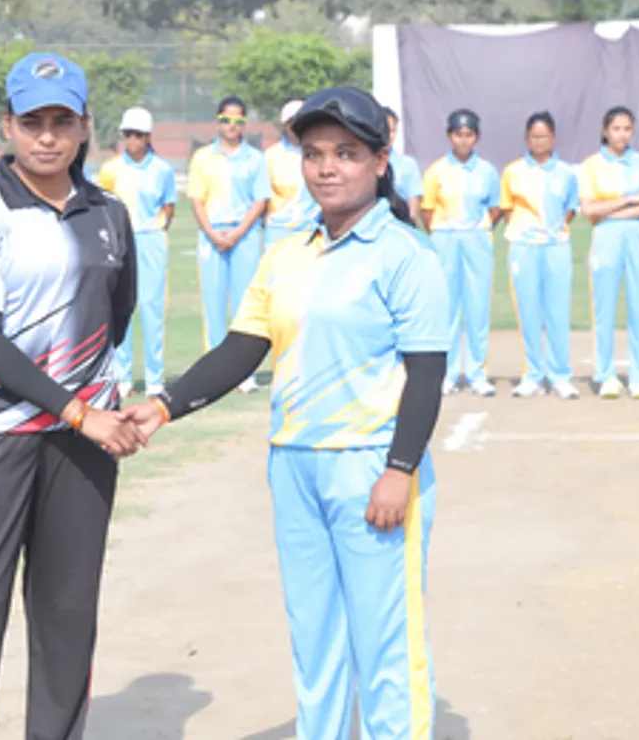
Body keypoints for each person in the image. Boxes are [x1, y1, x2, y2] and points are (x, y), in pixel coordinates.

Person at [125, 86, 449, 740]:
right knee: (315, 638)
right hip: (295, 464)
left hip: (371, 466)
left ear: (380, 161)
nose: (327, 168)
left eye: (347, 153)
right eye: (315, 153)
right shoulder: (287, 253)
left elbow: (427, 374)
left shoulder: (405, 255)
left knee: (385, 641)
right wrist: (163, 407)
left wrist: (400, 468)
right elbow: (242, 349)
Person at [0, 52, 142, 740]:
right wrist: (78, 409)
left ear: (84, 127)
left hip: (82, 442)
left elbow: (116, 314)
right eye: (32, 121)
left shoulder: (109, 214)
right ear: (7, 125)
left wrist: (86, 410)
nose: (47, 136)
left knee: (67, 610)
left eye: (62, 122)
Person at [187, 95, 271, 392]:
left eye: (237, 120)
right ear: (218, 122)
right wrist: (212, 233)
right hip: (212, 235)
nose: (231, 126)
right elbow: (196, 199)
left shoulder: (255, 159)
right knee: (213, 306)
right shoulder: (203, 158)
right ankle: (214, 375)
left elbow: (260, 201)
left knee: (245, 307)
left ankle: (244, 375)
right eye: (226, 120)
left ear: (244, 124)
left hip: (244, 236)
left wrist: (237, 233)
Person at [578, 106, 639, 400]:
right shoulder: (592, 165)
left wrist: (612, 209)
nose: (622, 135)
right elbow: (589, 209)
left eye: (627, 129)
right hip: (606, 236)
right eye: (616, 129)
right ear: (605, 131)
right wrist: (629, 201)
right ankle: (606, 375)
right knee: (604, 306)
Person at [96, 105, 176, 398]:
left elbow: (168, 206)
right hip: (120, 241)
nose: (132, 140)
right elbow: (102, 205)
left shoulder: (162, 169)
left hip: (150, 239)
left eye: (138, 135)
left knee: (152, 308)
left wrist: (156, 228)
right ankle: (122, 377)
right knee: (122, 306)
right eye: (128, 134)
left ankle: (155, 379)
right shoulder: (111, 169)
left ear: (148, 137)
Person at [500, 112, 580, 399]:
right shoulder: (513, 171)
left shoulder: (566, 173)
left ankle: (560, 375)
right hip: (524, 246)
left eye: (544, 136)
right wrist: (526, 232)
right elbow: (507, 209)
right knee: (528, 311)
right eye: (534, 136)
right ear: (526, 139)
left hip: (556, 246)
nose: (539, 141)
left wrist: (554, 230)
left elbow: (570, 208)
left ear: (553, 138)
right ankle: (533, 375)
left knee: (558, 311)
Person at [421, 109, 501, 397]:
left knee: (477, 306)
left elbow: (495, 207)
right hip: (445, 237)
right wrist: (444, 231)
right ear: (449, 136)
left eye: (469, 135)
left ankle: (478, 373)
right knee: (448, 307)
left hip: (477, 238)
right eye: (458, 135)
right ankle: (449, 373)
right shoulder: (437, 171)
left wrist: (478, 228)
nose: (463, 140)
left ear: (476, 137)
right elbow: (427, 210)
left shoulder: (487, 171)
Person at [263, 98, 315, 248]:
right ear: (285, 124)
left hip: (312, 229)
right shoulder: (271, 156)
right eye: (291, 121)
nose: (296, 125)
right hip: (279, 231)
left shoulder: (320, 152)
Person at [385, 105, 424, 226]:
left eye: (392, 131)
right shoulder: (364, 162)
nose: (388, 135)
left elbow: (414, 200)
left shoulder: (408, 164)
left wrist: (410, 225)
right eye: (384, 130)